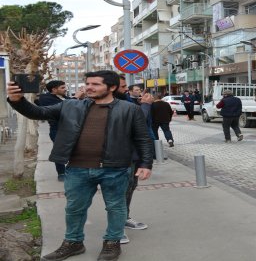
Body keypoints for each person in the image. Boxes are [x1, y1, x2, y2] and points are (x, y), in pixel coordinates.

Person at [7, 70, 154, 261]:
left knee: (116, 208)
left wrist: (145, 163)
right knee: (74, 208)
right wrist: (18, 100)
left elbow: (142, 138)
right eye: (88, 83)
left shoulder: (129, 109)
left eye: (95, 84)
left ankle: (112, 243)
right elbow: (38, 112)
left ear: (111, 87)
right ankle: (73, 243)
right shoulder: (70, 105)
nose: (89, 87)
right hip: (77, 169)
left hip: (115, 168)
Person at [113, 76, 153, 245]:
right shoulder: (113, 105)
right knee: (118, 193)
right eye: (123, 87)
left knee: (129, 188)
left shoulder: (127, 102)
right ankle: (115, 229)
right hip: (118, 157)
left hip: (133, 156)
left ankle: (124, 218)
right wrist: (145, 106)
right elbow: (136, 122)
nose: (127, 90)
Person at [38, 80, 84, 181]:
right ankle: (61, 173)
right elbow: (65, 107)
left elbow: (76, 107)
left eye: (65, 87)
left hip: (72, 128)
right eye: (62, 88)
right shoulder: (45, 98)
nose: (65, 89)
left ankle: (74, 170)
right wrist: (76, 97)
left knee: (76, 150)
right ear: (54, 90)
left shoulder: (65, 97)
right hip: (57, 129)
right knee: (60, 151)